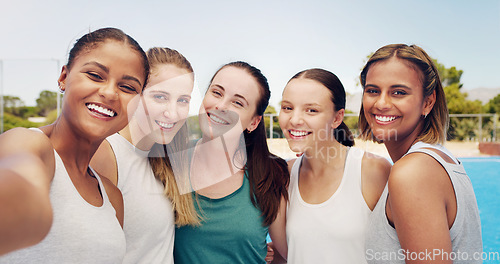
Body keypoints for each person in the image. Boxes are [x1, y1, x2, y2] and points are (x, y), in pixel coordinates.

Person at [0, 27, 149, 263]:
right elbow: (18, 179)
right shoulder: (28, 143)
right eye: (95, 75)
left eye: (128, 87)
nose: (110, 93)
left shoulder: (112, 197)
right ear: (63, 78)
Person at [360, 44, 482, 263]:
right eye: (372, 90)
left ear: (428, 102)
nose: (381, 103)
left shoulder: (413, 172)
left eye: (399, 92)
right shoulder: (436, 160)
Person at [90, 47, 199, 264]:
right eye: (160, 97)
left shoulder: (165, 159)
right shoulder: (106, 155)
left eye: (183, 100)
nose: (173, 113)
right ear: (136, 95)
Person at [174, 61, 289, 264]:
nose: (220, 106)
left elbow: (287, 255)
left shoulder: (270, 177)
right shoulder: (170, 163)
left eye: (238, 103)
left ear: (254, 122)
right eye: (217, 93)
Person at [278, 68, 391, 263]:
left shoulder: (373, 170)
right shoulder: (284, 175)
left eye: (311, 110)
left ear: (337, 118)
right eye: (287, 108)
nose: (294, 120)